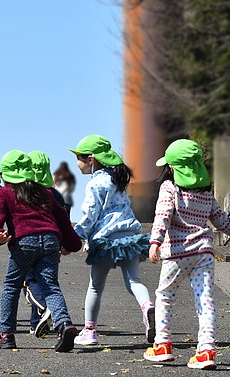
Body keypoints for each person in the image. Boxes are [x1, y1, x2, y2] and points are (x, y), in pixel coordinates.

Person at [144, 138, 230, 370]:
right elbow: (222, 221)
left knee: (164, 295)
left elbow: (162, 216)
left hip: (176, 253)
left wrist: (155, 242)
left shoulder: (169, 188)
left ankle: (162, 345)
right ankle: (206, 350)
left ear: (172, 167)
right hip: (204, 253)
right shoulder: (206, 193)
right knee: (205, 299)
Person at [0, 150, 81, 352]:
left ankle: (6, 335)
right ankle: (64, 325)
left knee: (12, 286)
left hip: (24, 242)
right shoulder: (44, 192)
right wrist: (72, 243)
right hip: (50, 240)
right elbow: (63, 218)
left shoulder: (3, 193)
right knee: (50, 286)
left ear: (5, 174)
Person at [69, 135, 153, 347]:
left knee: (96, 286)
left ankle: (89, 331)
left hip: (106, 240)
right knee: (134, 281)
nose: (76, 163)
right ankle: (148, 307)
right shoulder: (118, 179)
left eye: (79, 157)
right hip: (129, 237)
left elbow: (90, 215)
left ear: (91, 159)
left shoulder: (96, 184)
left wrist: (76, 236)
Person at [25, 150, 68, 337]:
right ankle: (37, 324)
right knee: (48, 282)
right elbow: (64, 220)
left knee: (30, 282)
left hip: (28, 242)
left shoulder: (26, 192)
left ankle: (45, 310)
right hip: (53, 243)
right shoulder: (56, 195)